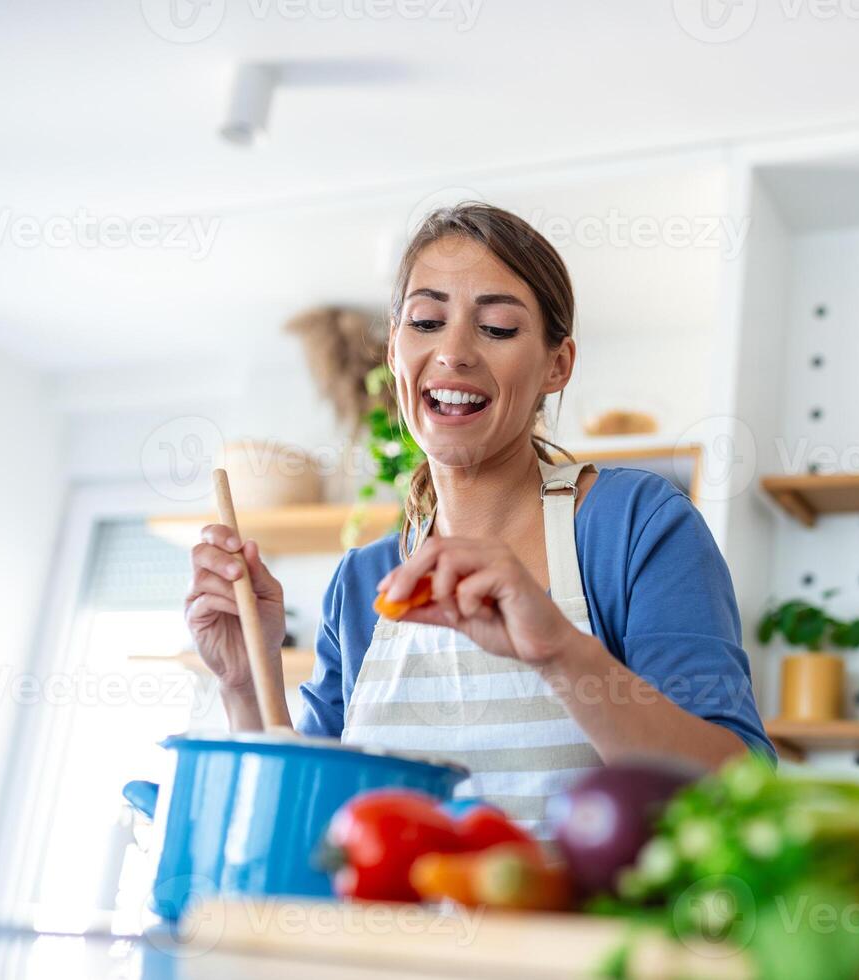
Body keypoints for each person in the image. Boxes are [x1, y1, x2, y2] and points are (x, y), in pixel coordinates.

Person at [187, 203, 772, 831]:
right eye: (427, 321)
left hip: (581, 931)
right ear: (394, 351)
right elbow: (304, 829)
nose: (454, 352)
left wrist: (559, 652)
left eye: (496, 327)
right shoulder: (363, 580)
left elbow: (738, 793)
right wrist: (249, 684)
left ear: (557, 365)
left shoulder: (632, 525)